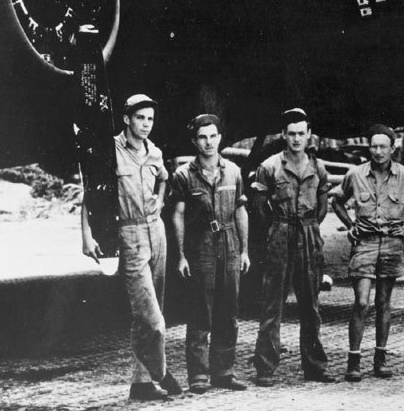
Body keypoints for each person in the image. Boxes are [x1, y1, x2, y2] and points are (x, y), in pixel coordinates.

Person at [81, 94, 182, 401]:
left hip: (156, 230)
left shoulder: (155, 152)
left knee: (150, 311)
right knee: (152, 318)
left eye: (150, 119)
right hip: (128, 233)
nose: (146, 124)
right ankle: (161, 372)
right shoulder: (109, 150)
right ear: (126, 118)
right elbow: (91, 195)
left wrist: (160, 201)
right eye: (140, 118)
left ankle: (140, 383)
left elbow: (165, 179)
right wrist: (86, 236)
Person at [333, 124, 404, 382]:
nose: (378, 152)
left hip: (391, 243)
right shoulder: (355, 175)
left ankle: (380, 359)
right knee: (361, 302)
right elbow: (336, 200)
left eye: (383, 147)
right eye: (373, 146)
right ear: (368, 148)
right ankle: (353, 361)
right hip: (365, 244)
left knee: (383, 303)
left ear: (392, 148)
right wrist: (351, 225)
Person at [252, 108, 335, 386]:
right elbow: (259, 208)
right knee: (272, 304)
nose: (297, 138)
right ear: (284, 135)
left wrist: (308, 226)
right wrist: (279, 228)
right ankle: (265, 367)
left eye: (302, 133)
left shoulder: (318, 167)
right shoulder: (270, 166)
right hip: (281, 232)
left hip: (309, 234)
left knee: (310, 304)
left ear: (309, 134)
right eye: (292, 133)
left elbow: (323, 206)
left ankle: (315, 366)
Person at [169, 114, 250, 393]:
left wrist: (245, 250)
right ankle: (199, 376)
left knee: (228, 311)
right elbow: (178, 216)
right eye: (202, 137)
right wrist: (180, 255)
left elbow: (241, 210)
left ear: (220, 138)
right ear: (194, 141)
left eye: (213, 136)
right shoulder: (183, 175)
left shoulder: (234, 172)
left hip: (229, 244)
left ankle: (224, 373)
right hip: (201, 245)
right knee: (200, 310)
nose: (208, 142)